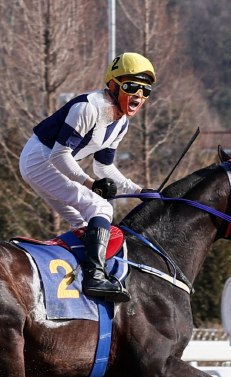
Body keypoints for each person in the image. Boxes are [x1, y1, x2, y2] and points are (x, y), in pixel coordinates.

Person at [19, 52, 156, 303]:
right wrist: (90, 184)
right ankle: (95, 277)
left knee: (86, 224)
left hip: (51, 162)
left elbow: (104, 167)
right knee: (100, 207)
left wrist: (140, 191)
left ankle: (68, 277)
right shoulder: (88, 108)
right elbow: (59, 156)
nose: (139, 95)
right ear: (113, 85)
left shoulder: (121, 122)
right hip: (40, 160)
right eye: (132, 87)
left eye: (145, 91)